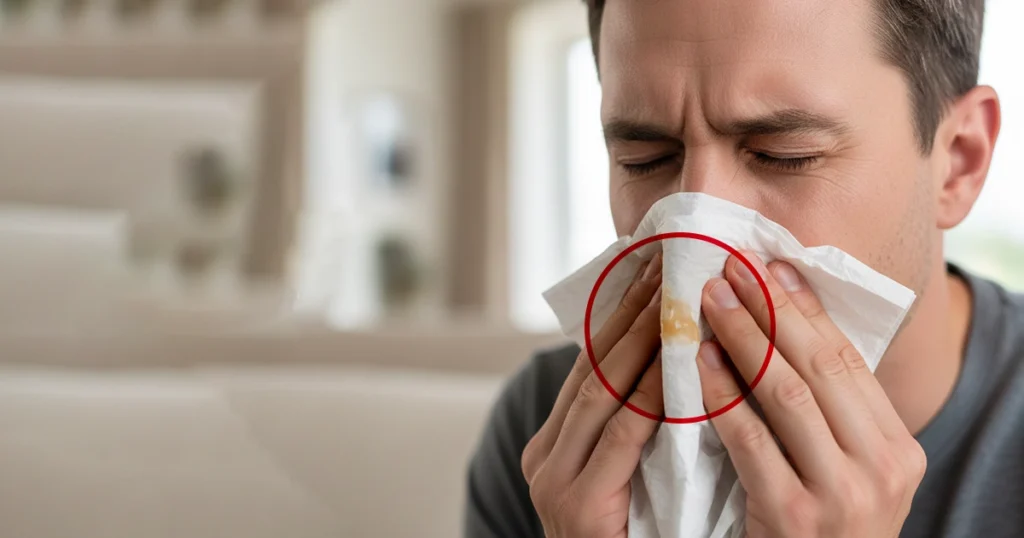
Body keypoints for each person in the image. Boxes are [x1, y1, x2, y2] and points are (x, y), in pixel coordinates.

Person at [465, 0, 1020, 536]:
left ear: (958, 162)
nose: (696, 233)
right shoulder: (554, 438)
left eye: (786, 154)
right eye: (646, 160)